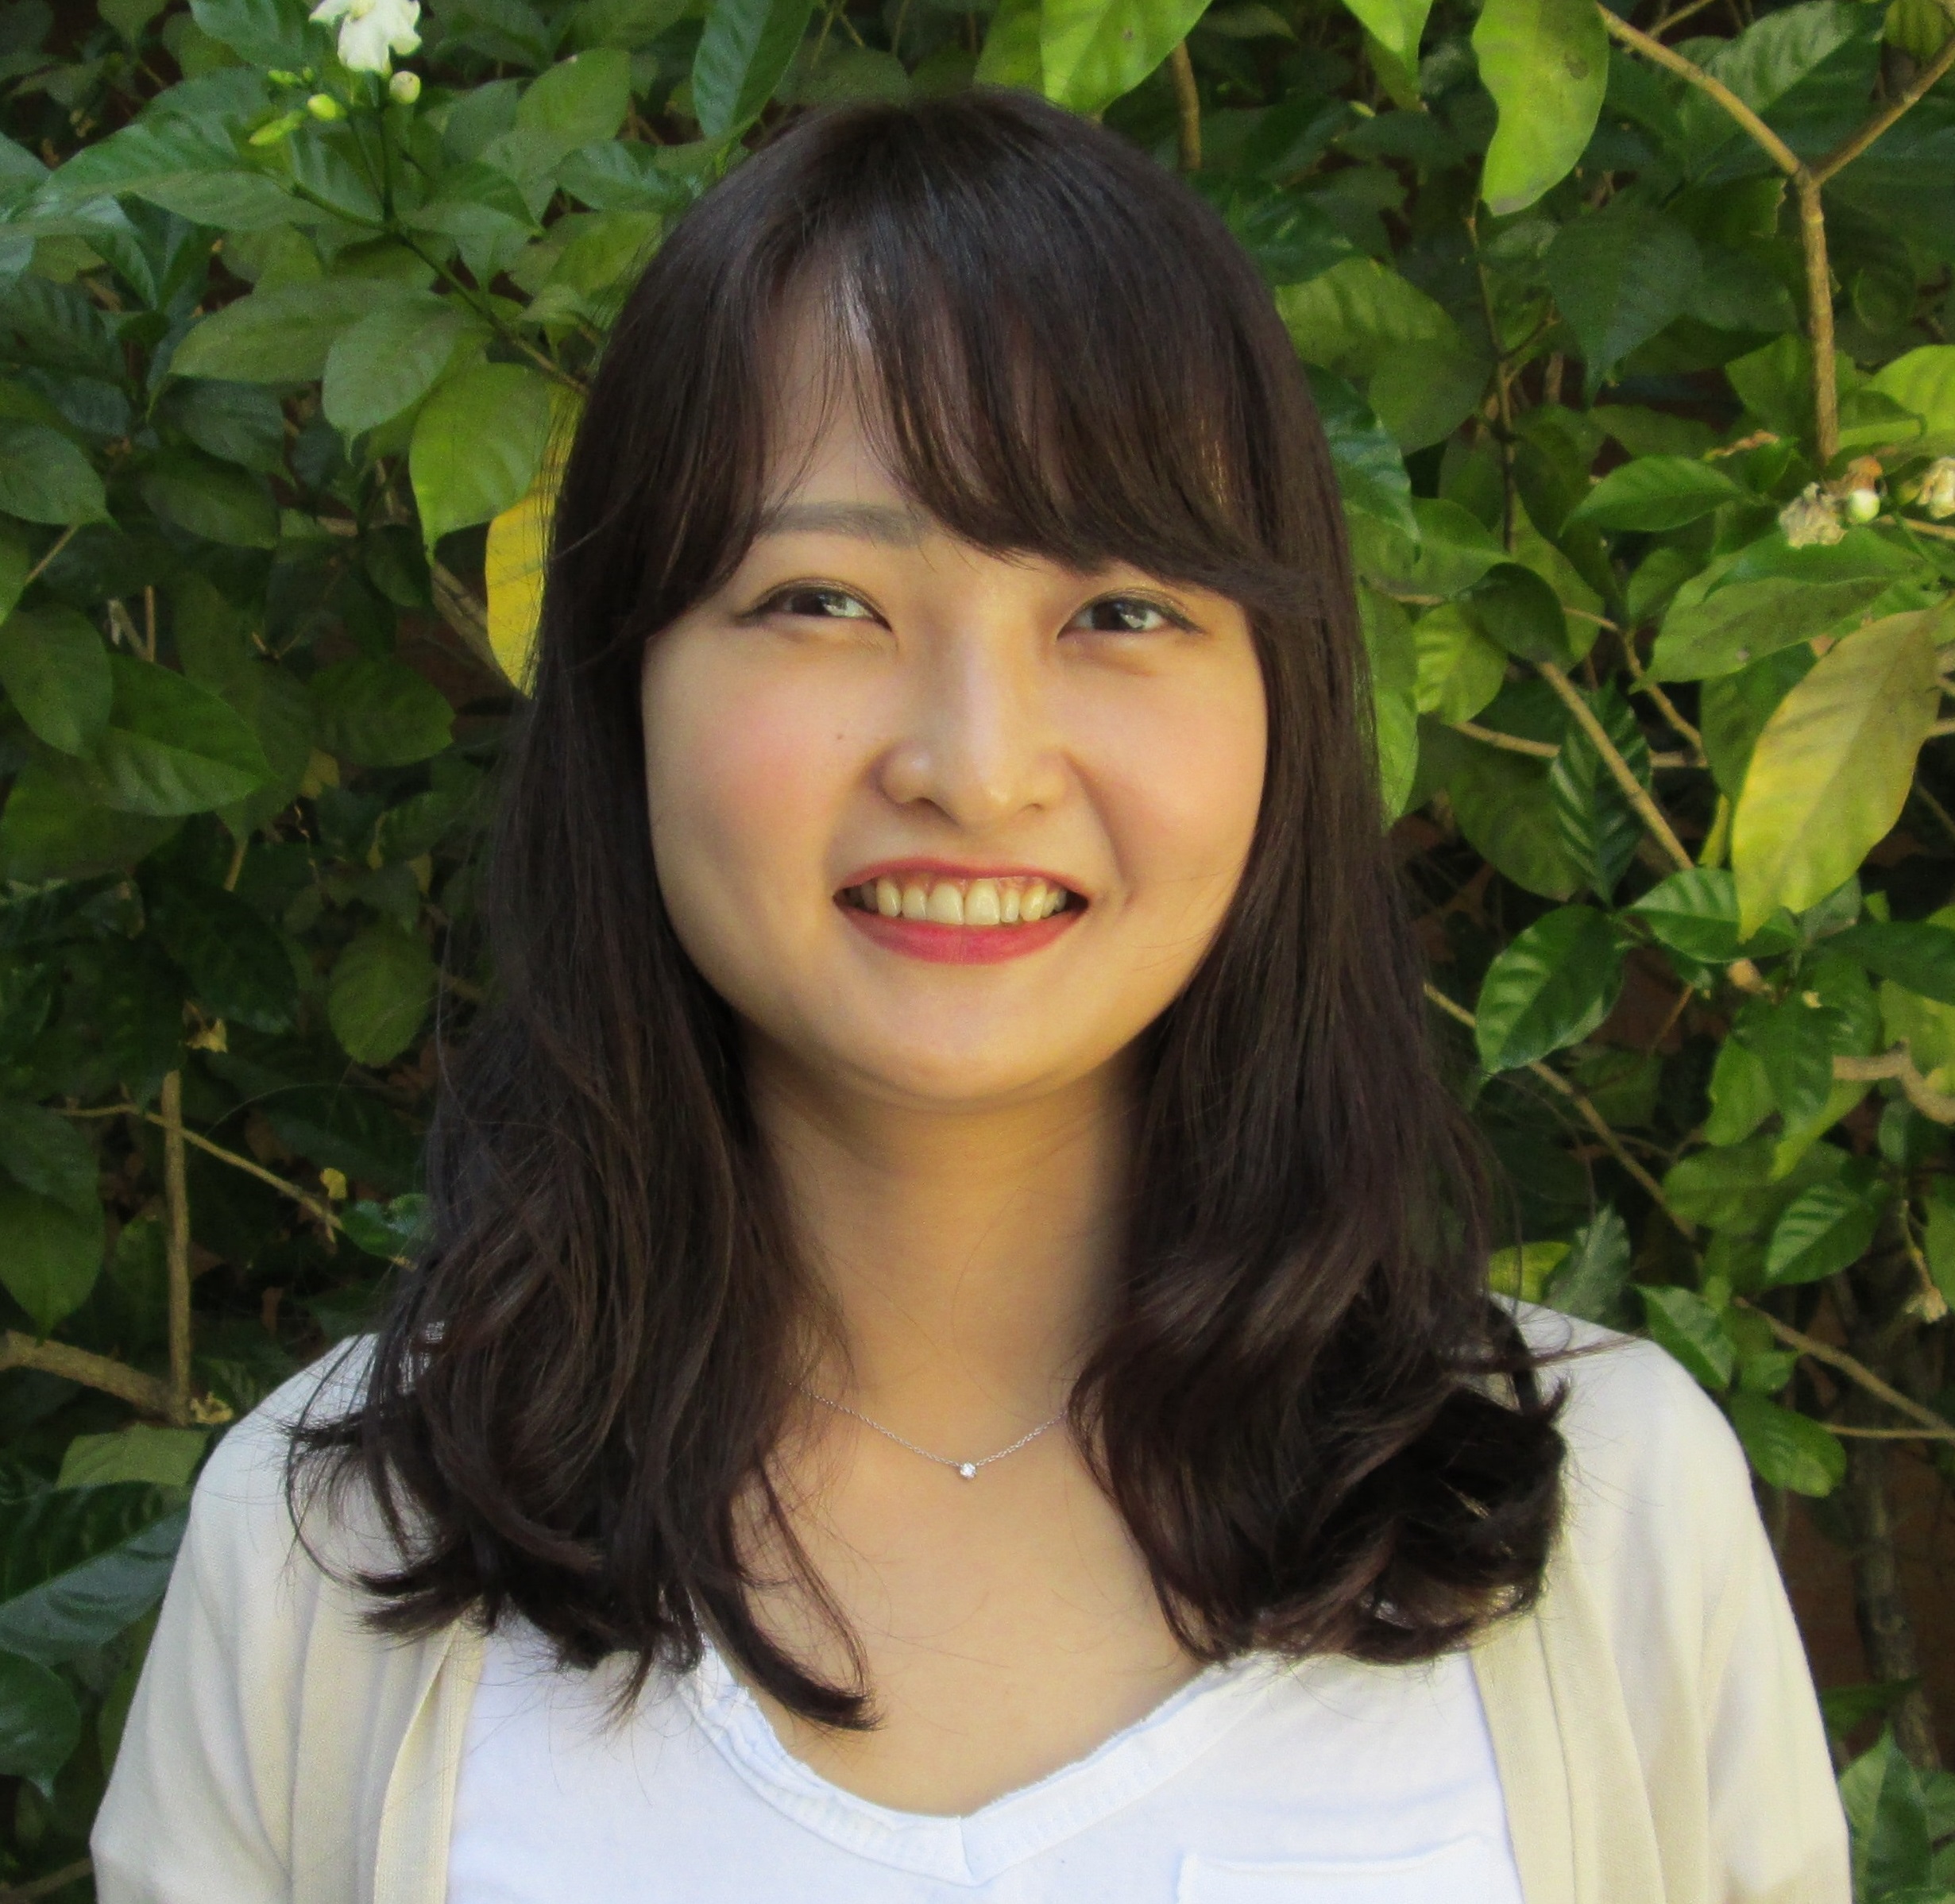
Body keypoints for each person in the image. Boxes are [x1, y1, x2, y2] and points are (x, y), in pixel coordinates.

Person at [94, 91, 1848, 1904]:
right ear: (625, 698)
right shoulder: (334, 1557)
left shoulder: (1605, 1510)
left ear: (1286, 703)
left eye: (1122, 611)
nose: (977, 764)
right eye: (823, 598)